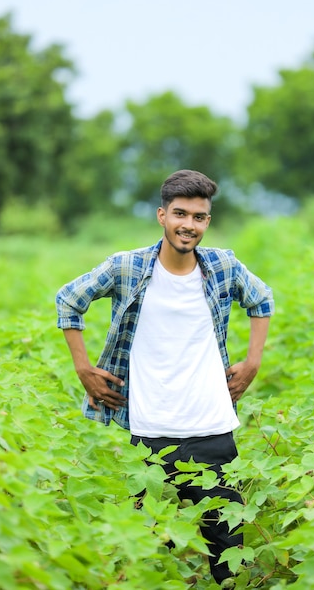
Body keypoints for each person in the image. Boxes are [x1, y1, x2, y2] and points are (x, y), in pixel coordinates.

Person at [56, 169, 274, 585]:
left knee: (228, 553)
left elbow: (262, 300)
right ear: (162, 215)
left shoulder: (223, 266)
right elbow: (69, 299)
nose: (187, 225)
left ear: (207, 221)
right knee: (145, 549)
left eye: (198, 216)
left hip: (211, 427)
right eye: (180, 214)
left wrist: (253, 362)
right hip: (148, 432)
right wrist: (83, 368)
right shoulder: (127, 267)